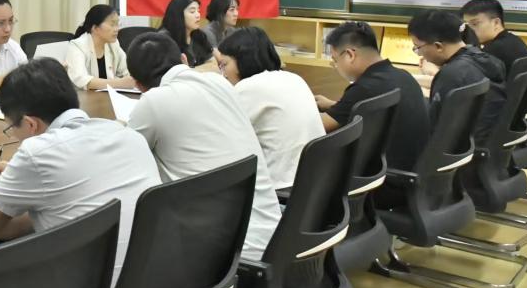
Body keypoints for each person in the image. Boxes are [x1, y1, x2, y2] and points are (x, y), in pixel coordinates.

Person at [0, 58, 160, 283]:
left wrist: (39, 211)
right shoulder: (129, 135)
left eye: (11, 128)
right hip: (158, 283)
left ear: (30, 124)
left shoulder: (36, 153)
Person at [125, 33, 281, 260]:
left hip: (224, 256)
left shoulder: (153, 102)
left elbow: (126, 158)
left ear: (138, 84)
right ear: (183, 59)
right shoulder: (221, 83)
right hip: (274, 238)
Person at [216, 27, 324, 188]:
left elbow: (221, 138)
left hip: (283, 187)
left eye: (224, 64)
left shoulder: (248, 88)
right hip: (316, 181)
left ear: (243, 60)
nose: (223, 74)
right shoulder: (294, 78)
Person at [314, 21, 429, 171]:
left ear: (350, 55)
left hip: (382, 176)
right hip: (411, 168)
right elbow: (365, 109)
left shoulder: (365, 88)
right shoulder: (402, 76)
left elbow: (318, 126)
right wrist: (333, 105)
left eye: (335, 60)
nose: (336, 66)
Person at [408, 10, 506, 147]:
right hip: (483, 145)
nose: (419, 54)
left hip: (456, 151)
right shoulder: (488, 60)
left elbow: (434, 127)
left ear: (438, 46)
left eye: (418, 48)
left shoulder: (451, 74)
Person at [64, 4, 135, 90]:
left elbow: (127, 72)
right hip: (83, 96)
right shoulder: (77, 46)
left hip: (108, 96)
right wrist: (120, 83)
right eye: (112, 24)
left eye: (117, 24)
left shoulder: (113, 44)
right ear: (95, 28)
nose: (117, 29)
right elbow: (83, 81)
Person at [460, 0, 527, 73]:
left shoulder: (492, 51)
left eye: (475, 24)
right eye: (467, 25)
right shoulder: (513, 39)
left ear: (496, 23)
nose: (470, 29)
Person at [158, 0, 213, 67]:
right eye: (192, 11)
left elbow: (212, 62)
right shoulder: (164, 39)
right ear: (178, 14)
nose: (198, 15)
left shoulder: (200, 36)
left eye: (198, 11)